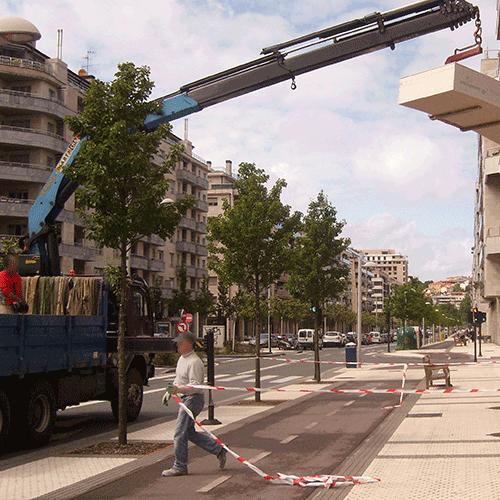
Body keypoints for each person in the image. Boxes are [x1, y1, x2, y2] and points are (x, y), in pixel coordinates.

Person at [162, 331, 227, 477]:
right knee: (189, 432)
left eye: (180, 342)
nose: (177, 344)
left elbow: (195, 387)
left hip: (193, 399)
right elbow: (179, 379)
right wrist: (170, 390)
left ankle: (180, 466)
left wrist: (178, 389)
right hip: (186, 399)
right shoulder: (182, 359)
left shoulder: (194, 362)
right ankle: (218, 449)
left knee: (179, 432)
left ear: (189, 344)